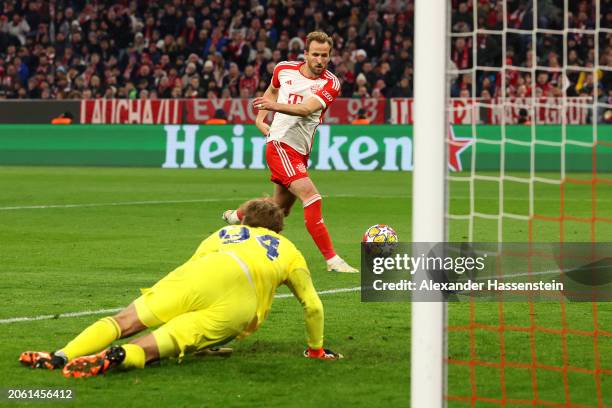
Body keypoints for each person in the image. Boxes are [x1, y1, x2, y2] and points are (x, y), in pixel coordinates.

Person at [20, 199, 342, 378]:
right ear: (278, 229)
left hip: (201, 273)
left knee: (124, 322)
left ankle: (62, 355)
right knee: (155, 346)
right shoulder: (288, 250)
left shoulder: (224, 234)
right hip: (238, 304)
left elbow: (196, 268)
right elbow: (313, 305)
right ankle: (116, 357)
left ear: (244, 223)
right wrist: (315, 349)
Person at [222, 31, 358, 274]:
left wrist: (272, 107)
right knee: (312, 197)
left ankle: (238, 216)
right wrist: (260, 119)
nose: (320, 60)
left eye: (324, 55)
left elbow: (306, 109)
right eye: (315, 54)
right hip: (280, 144)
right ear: (305, 54)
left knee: (279, 209)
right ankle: (333, 260)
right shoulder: (283, 69)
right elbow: (271, 91)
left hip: (299, 151)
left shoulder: (330, 83)